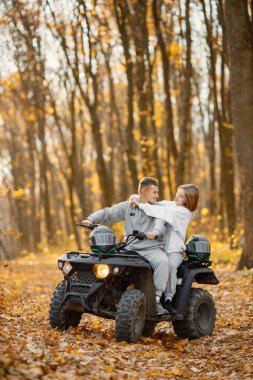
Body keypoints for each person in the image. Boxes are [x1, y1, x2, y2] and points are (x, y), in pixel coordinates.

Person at [82, 177, 170, 315]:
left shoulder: (158, 209)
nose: (157, 196)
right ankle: (109, 296)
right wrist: (91, 219)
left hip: (152, 249)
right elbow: (108, 213)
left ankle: (157, 301)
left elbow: (161, 225)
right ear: (144, 192)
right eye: (155, 192)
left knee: (163, 262)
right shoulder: (128, 206)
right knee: (110, 263)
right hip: (130, 248)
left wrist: (155, 233)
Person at [130, 184, 199, 314]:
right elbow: (155, 204)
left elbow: (161, 211)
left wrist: (139, 205)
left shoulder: (185, 213)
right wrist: (135, 197)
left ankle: (168, 299)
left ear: (188, 200)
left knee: (171, 265)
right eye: (178, 193)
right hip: (160, 248)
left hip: (174, 250)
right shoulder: (173, 205)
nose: (177, 196)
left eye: (181, 196)